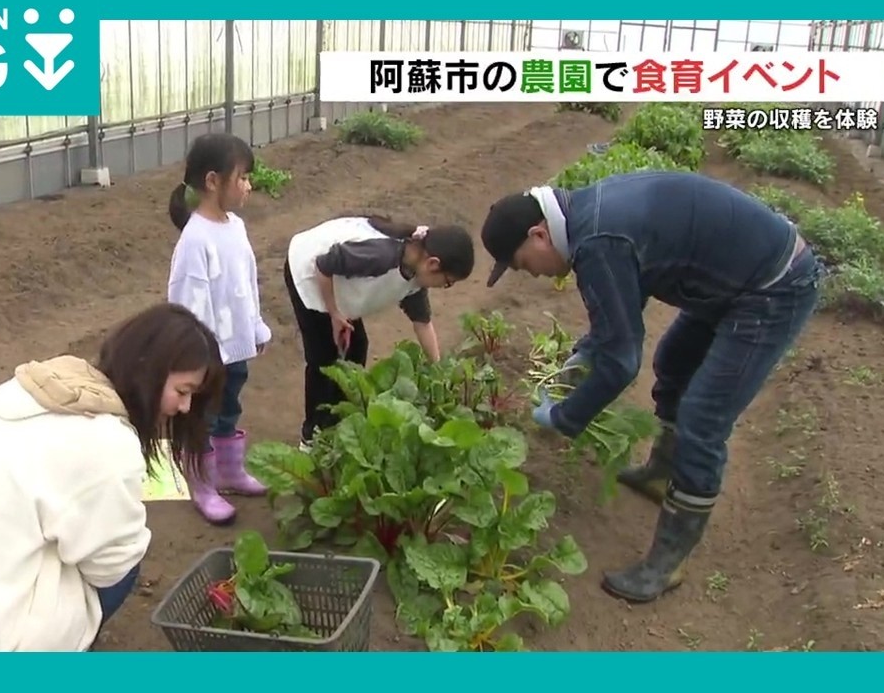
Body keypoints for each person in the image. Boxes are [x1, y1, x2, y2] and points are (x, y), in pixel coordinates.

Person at [481, 171, 824, 605]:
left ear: (539, 234)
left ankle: (667, 561)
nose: (529, 274)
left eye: (521, 263)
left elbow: (622, 362)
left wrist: (565, 417)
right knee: (674, 360)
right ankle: (663, 473)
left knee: (703, 418)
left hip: (773, 286)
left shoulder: (596, 241)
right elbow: (626, 294)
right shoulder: (589, 213)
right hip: (732, 279)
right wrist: (588, 350)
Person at [0, 303, 225, 652]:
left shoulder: (32, 393)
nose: (185, 408)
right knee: (126, 564)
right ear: (148, 371)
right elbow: (110, 567)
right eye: (183, 391)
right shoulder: (107, 442)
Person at [284, 212, 475, 447]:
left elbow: (422, 322)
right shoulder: (382, 256)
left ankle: (340, 424)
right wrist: (334, 314)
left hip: (341, 284)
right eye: (448, 282)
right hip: (309, 272)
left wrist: (440, 371)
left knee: (356, 347)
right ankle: (311, 437)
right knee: (323, 360)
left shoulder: (416, 274)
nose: (445, 287)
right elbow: (324, 264)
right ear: (433, 263)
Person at [166, 132, 273, 526]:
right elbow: (189, 301)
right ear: (213, 181)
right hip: (210, 353)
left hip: (236, 346)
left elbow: (246, 283)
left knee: (230, 407)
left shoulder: (235, 227)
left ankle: (230, 471)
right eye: (242, 177)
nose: (248, 186)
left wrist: (255, 328)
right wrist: (199, 352)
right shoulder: (195, 239)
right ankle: (202, 482)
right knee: (203, 417)